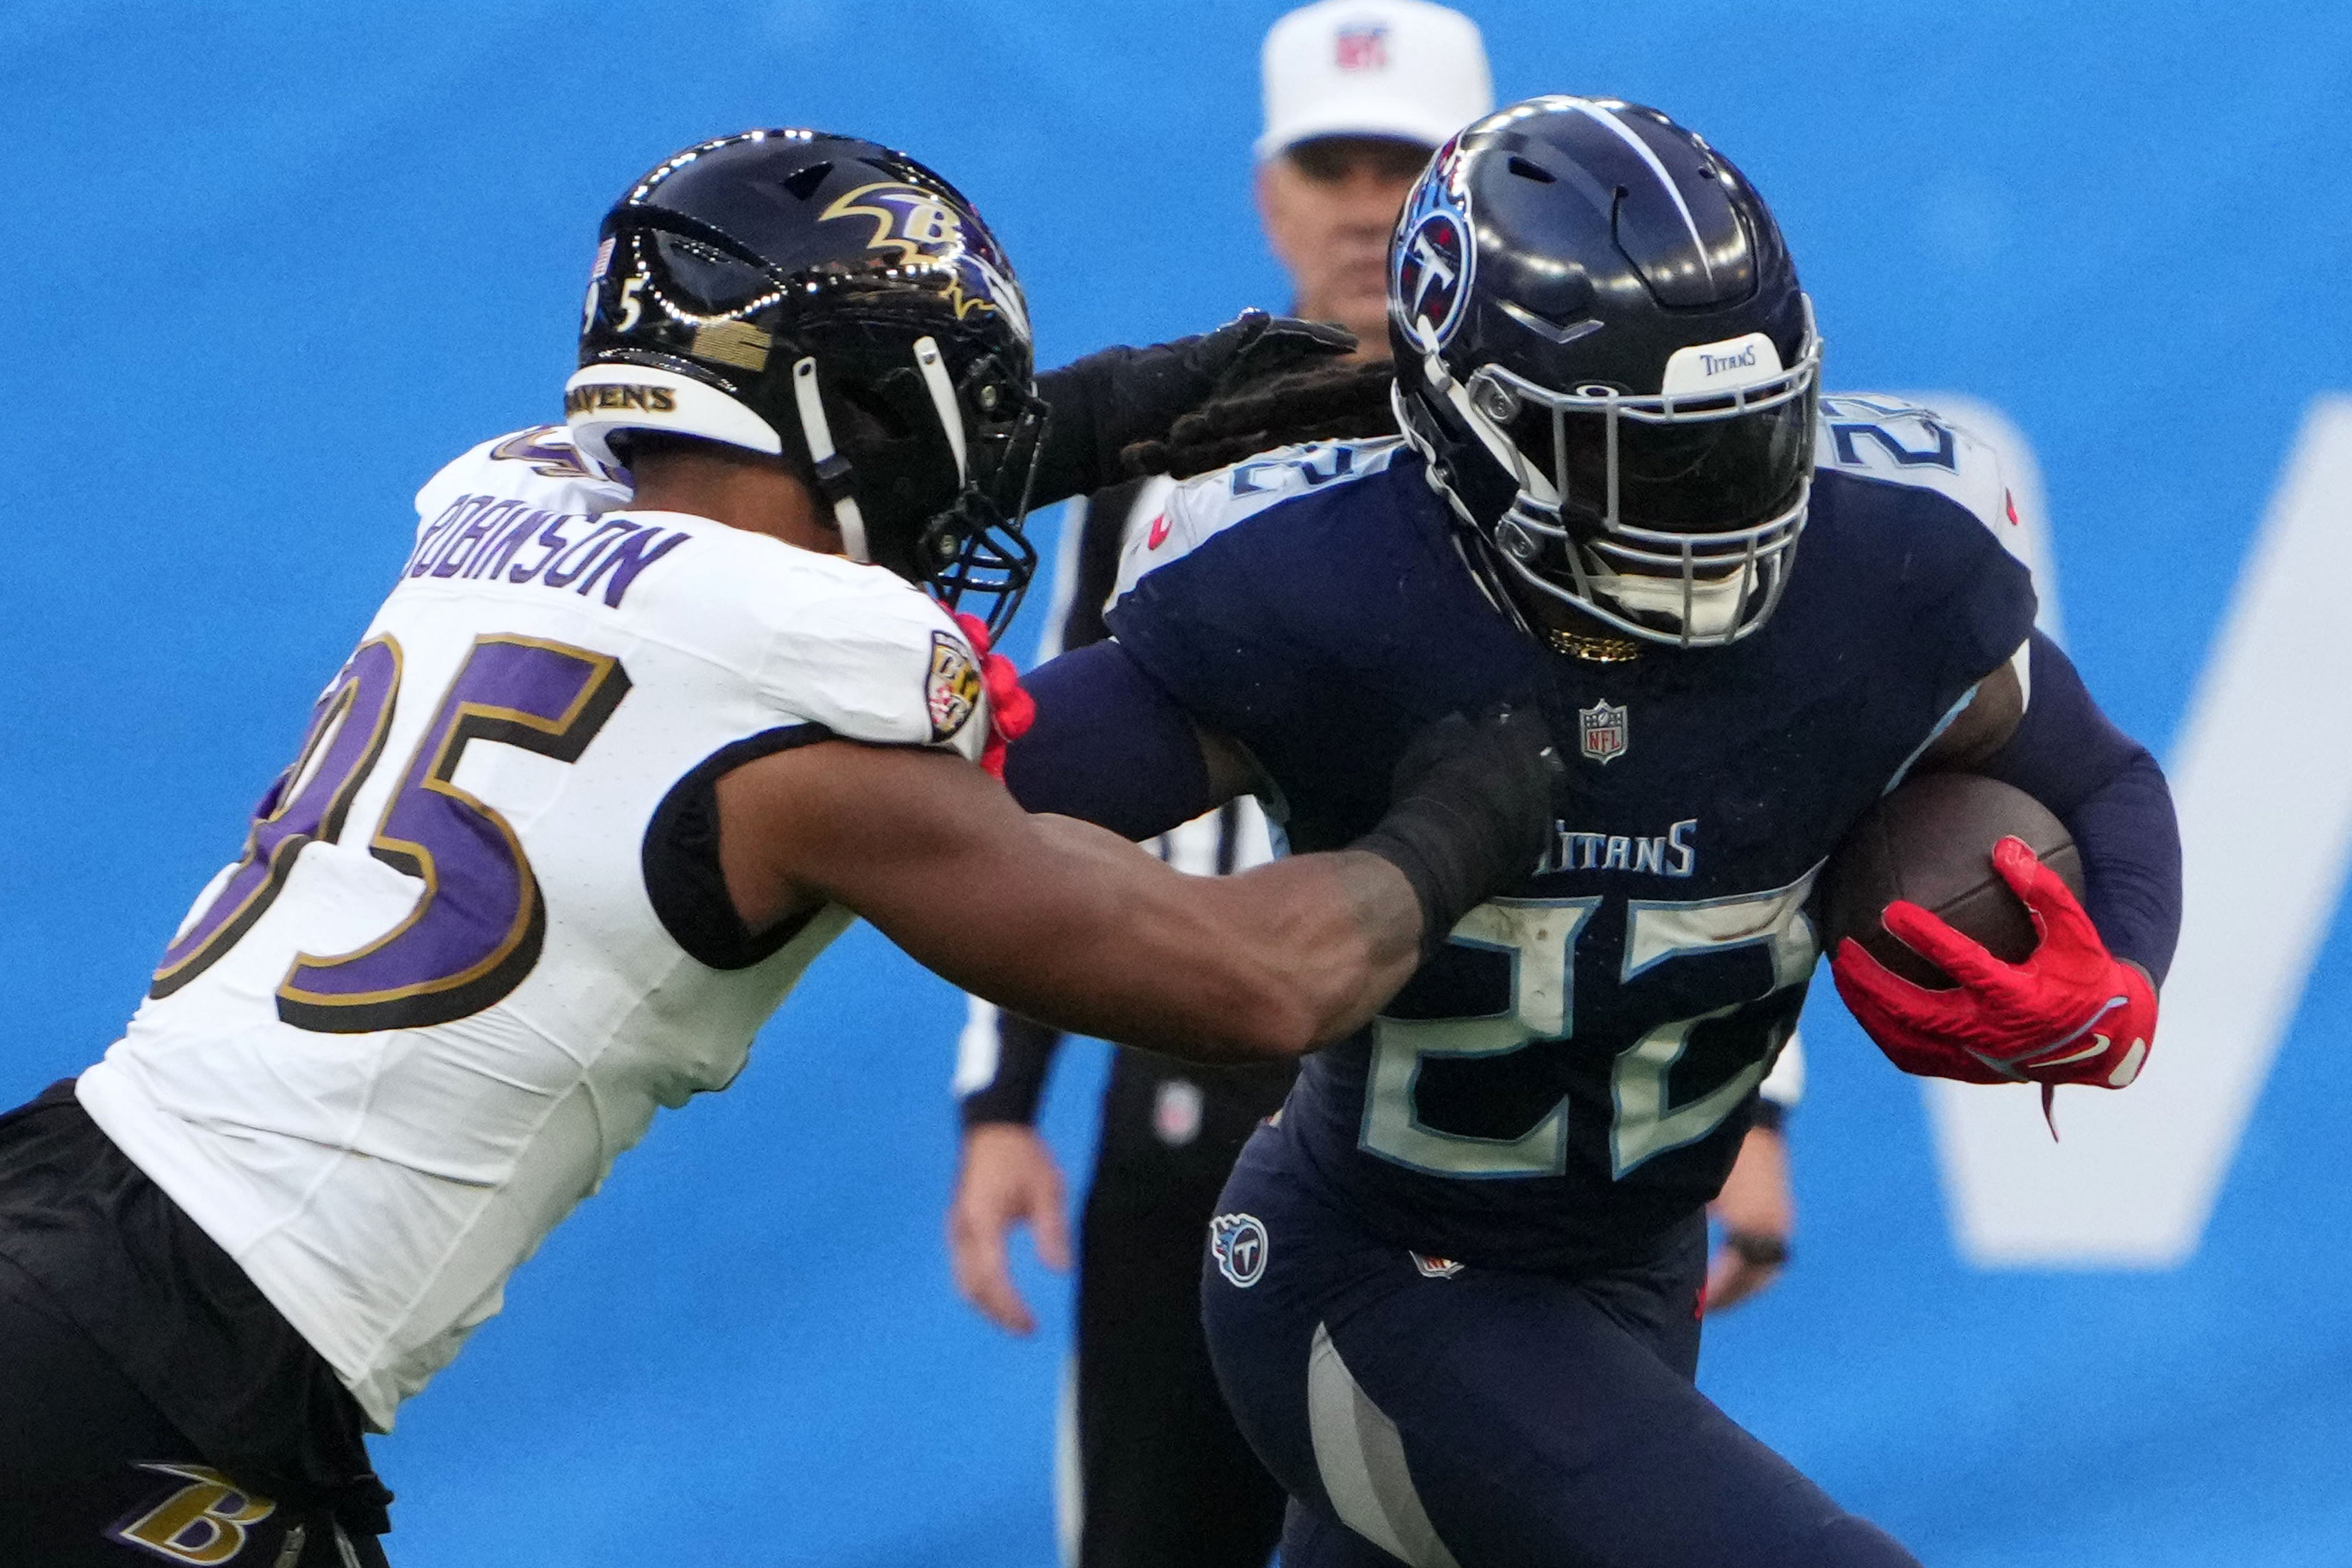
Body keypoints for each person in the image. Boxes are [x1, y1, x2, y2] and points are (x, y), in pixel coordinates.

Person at [0, 129, 1564, 1567]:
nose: (954, 473)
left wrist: (1119, 408)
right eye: (929, 413)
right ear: (843, 412)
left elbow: (741, 501)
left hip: (69, 1209)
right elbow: (1262, 978)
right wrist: (1489, 791)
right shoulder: (805, 712)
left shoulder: (506, 498)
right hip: (166, 1360)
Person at [999, 97, 2182, 1566]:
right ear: (1474, 427)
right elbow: (968, 809)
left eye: (1749, 439)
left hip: (1631, 1281)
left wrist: (2118, 973)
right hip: (1367, 1276)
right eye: (1647, 458)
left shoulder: (1881, 565)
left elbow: (2104, 778)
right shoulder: (1327, 587)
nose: (1722, 502)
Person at [945, 15, 1790, 1565]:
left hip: (1495, 1093)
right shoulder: (1163, 448)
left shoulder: (1590, 446)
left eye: (1396, 165)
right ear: (1268, 194)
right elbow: (1022, 776)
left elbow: (1737, 767)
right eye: (1326, 166)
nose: (1358, 207)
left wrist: (1754, 1105)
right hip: (1188, 1069)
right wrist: (1002, 1106)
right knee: (1154, 1536)